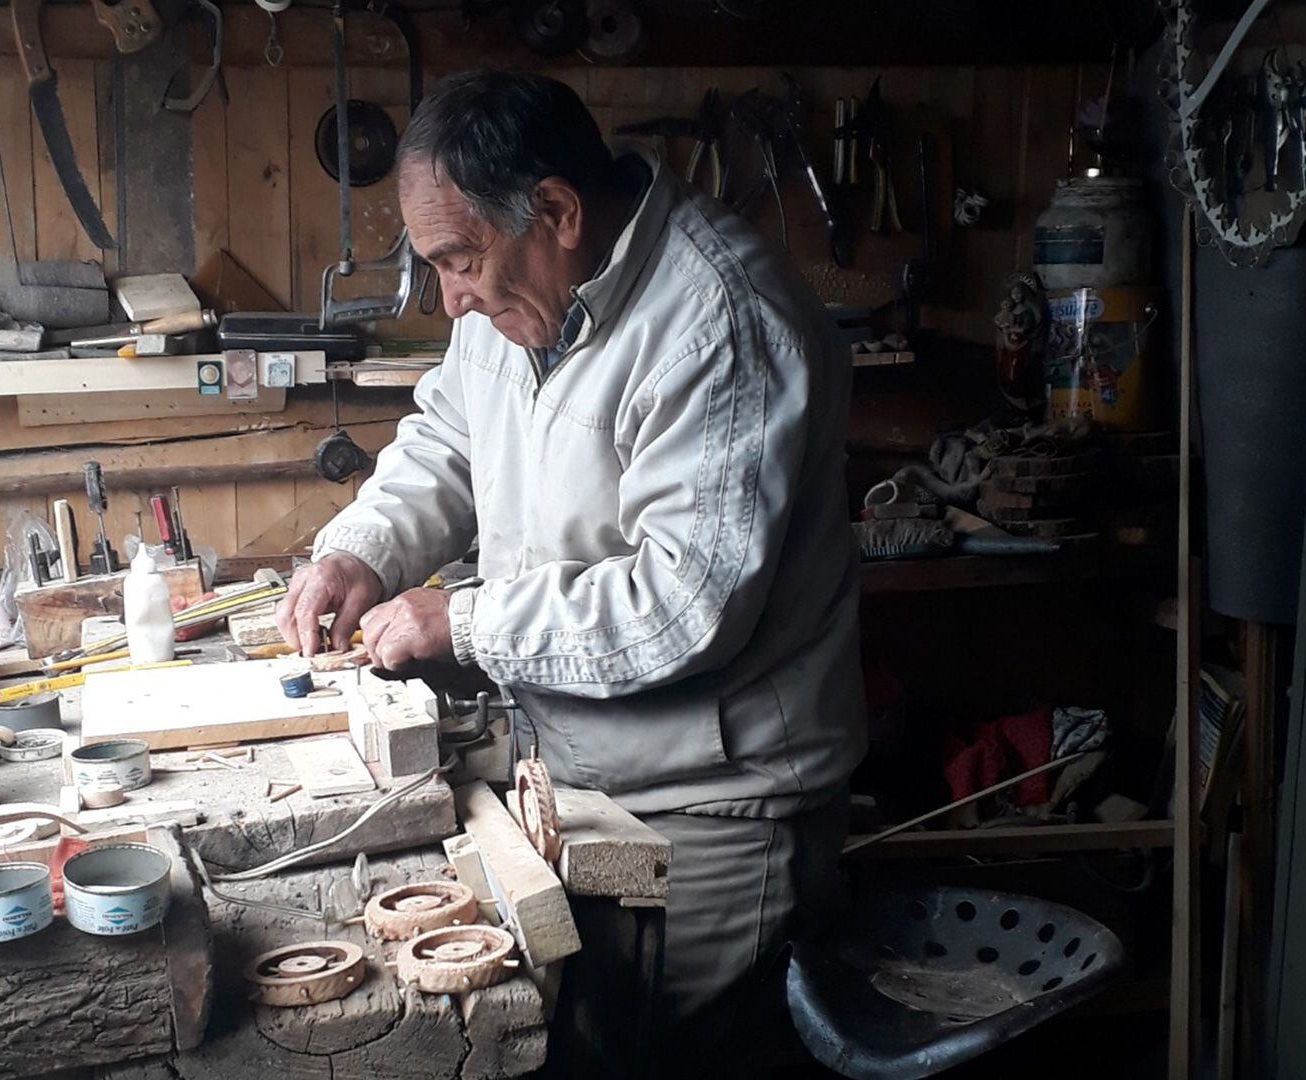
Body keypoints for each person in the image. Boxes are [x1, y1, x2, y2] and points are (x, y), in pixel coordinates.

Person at [276, 70, 865, 1059]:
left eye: (460, 261)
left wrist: (462, 621)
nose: (451, 298)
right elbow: (448, 442)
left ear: (556, 211)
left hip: (717, 807)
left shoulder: (718, 320)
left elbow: (682, 604)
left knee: (672, 1058)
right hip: (569, 772)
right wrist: (358, 551)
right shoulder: (511, 303)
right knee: (564, 1043)